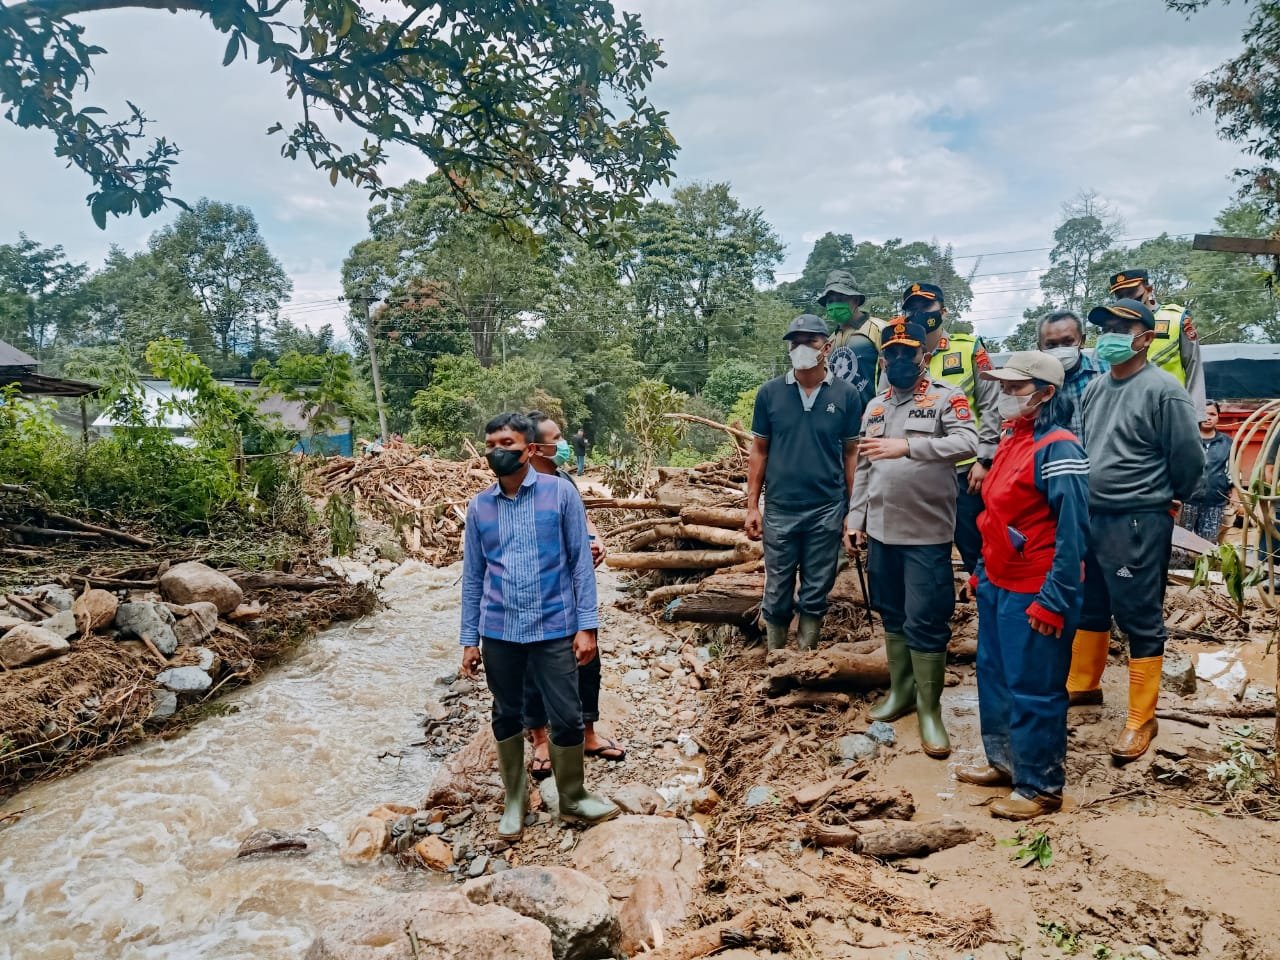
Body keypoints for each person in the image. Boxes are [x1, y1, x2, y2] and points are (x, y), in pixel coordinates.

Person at [459, 412, 618, 838]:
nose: (498, 452)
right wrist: (468, 640)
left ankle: (573, 796)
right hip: (500, 632)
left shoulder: (560, 494)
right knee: (507, 714)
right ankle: (514, 799)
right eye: (491, 444)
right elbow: (473, 576)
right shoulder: (479, 507)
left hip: (555, 627)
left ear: (529, 450)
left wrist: (588, 628)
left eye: (507, 444)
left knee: (566, 716)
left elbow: (580, 565)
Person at [1065, 300, 1204, 761]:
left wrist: (1168, 496)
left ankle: (1142, 718)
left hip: (1138, 518)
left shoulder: (1164, 390)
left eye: (1122, 327)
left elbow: (1188, 458)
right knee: (1091, 604)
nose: (1110, 334)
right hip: (1093, 514)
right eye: (1104, 327)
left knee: (1139, 616)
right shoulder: (1096, 388)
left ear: (1146, 336)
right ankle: (1083, 685)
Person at [955, 351, 1089, 820]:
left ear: (1045, 393)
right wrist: (981, 572)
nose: (1005, 395)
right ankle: (1006, 764)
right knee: (994, 677)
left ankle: (1040, 786)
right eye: (1004, 387)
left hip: (1037, 586)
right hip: (999, 581)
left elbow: (1073, 532)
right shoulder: (1014, 438)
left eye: (1015, 388)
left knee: (1034, 686)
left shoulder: (1060, 447)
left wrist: (1055, 599)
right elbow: (996, 514)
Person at [845, 320, 979, 758]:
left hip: (926, 533)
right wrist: (855, 517)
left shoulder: (946, 396)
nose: (901, 360)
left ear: (924, 355)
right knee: (893, 614)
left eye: (910, 352)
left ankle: (929, 710)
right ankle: (900, 695)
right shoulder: (876, 406)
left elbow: (968, 441)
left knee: (926, 618)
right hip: (882, 531)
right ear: (884, 359)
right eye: (894, 353)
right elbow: (864, 466)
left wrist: (909, 447)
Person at [746, 314, 863, 650]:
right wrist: (752, 506)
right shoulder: (769, 394)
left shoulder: (847, 395)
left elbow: (851, 454)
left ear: (826, 347)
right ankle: (776, 656)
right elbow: (759, 451)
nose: (801, 347)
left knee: (817, 586)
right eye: (794, 341)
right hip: (781, 507)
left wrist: (853, 513)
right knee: (778, 586)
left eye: (809, 340)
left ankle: (806, 656)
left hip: (827, 507)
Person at [522, 411, 624, 781]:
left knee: (587, 658)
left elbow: (584, 522)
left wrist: (596, 542)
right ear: (535, 448)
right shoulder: (521, 488)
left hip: (574, 591)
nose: (563, 444)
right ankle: (539, 740)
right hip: (537, 595)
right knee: (533, 667)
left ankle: (588, 733)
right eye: (557, 438)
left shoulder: (564, 479)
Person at [907, 282, 1002, 584]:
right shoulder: (902, 355)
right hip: (920, 473)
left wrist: (985, 460)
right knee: (925, 553)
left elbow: (991, 406)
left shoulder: (968, 348)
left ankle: (985, 609)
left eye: (927, 307)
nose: (919, 314)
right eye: (912, 308)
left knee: (975, 546)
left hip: (965, 473)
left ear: (943, 310)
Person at [1108, 269, 1207, 420]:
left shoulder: (1175, 318)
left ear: (1149, 289)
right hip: (1128, 411)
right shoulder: (1112, 325)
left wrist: (1196, 417)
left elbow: (1194, 368)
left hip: (1171, 410)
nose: (1128, 299)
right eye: (1121, 295)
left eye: (1132, 292)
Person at [817, 269, 885, 409]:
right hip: (840, 419)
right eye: (831, 301)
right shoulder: (830, 341)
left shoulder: (879, 329)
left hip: (874, 417)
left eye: (841, 299)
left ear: (855, 300)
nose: (835, 305)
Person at [1037, 308, 1109, 439]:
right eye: (1051, 345)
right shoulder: (1034, 386)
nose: (1060, 349)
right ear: (1040, 347)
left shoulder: (1107, 373)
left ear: (1082, 341)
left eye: (1067, 342)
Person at [1178, 400, 1236, 544]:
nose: (1208, 417)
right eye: (1204, 413)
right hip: (1187, 501)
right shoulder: (1186, 439)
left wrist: (1235, 495)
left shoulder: (1227, 443)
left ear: (1218, 417)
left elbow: (1233, 472)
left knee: (1207, 545)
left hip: (1215, 502)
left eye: (1212, 414)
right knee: (1181, 544)